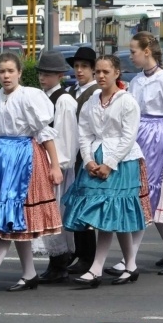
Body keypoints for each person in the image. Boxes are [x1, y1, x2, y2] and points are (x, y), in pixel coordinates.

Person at [0, 53, 63, 295]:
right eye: (2, 71)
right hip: (0, 160)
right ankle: (29, 273)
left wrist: (55, 165)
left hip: (24, 157)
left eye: (10, 71)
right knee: (18, 223)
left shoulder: (30, 97)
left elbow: (43, 132)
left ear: (19, 72)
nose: (6, 75)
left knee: (10, 219)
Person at [109, 32, 163, 276]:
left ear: (147, 51)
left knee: (147, 196)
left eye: (134, 51)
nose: (131, 56)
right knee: (148, 199)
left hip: (159, 137)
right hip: (140, 136)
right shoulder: (137, 80)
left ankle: (131, 260)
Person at [62, 55, 147, 288]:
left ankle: (97, 268)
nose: (100, 76)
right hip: (96, 157)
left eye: (105, 72)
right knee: (111, 215)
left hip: (121, 161)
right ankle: (131, 266)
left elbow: (129, 137)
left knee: (109, 214)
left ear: (117, 73)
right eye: (97, 71)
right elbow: (84, 133)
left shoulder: (127, 101)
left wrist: (109, 163)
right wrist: (88, 159)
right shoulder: (91, 101)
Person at [33, 51, 78, 284]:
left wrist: (58, 165)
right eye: (41, 73)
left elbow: (66, 137)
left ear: (59, 75)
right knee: (46, 215)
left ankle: (60, 262)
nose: (43, 78)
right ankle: (56, 260)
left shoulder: (64, 100)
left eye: (48, 74)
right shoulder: (41, 97)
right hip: (42, 163)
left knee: (56, 214)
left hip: (56, 165)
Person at [64, 47, 100, 275]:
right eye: (76, 66)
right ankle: (77, 251)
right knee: (73, 205)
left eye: (84, 67)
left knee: (85, 206)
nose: (79, 70)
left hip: (87, 155)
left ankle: (89, 255)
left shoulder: (95, 93)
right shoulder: (70, 91)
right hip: (71, 154)